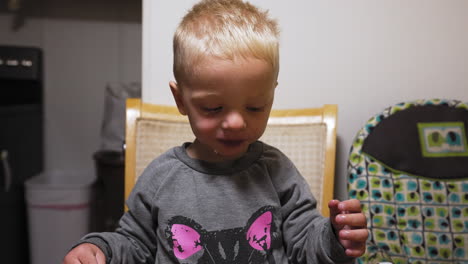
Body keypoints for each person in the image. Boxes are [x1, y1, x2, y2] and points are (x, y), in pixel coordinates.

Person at [63, 0, 368, 263]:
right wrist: (97, 248)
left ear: (271, 96)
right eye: (213, 108)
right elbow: (134, 244)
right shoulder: (160, 178)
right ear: (181, 100)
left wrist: (334, 238)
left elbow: (305, 243)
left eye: (254, 107)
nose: (236, 123)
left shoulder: (278, 172)